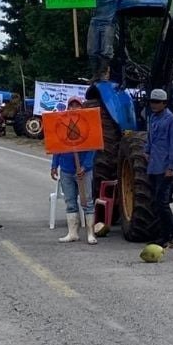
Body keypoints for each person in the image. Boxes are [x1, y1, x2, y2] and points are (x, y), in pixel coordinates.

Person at [51, 97, 97, 244]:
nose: (74, 108)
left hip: (83, 171)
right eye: (71, 105)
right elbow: (57, 146)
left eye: (77, 105)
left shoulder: (87, 125)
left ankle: (91, 233)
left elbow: (92, 148)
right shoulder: (62, 123)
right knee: (70, 201)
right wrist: (54, 165)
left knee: (87, 201)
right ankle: (73, 233)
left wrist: (85, 166)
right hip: (66, 170)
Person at [145, 88, 173, 248]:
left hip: (165, 167)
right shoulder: (152, 118)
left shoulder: (172, 120)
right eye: (152, 101)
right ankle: (163, 235)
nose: (154, 105)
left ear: (164, 103)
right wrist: (146, 151)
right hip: (153, 166)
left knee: (162, 202)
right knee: (156, 202)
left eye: (157, 102)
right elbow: (149, 138)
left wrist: (171, 167)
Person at [87, 0, 138, 78]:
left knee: (106, 51)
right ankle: (95, 75)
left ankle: (103, 73)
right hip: (95, 22)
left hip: (109, 23)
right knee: (92, 51)